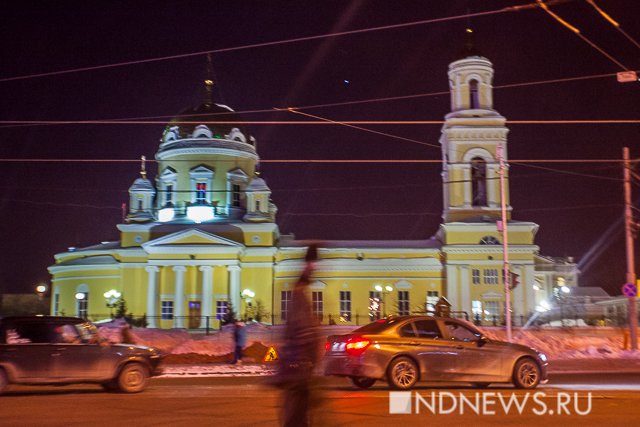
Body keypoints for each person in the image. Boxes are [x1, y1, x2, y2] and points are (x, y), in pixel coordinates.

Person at [277, 243, 322, 427]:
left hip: (299, 366)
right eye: (314, 264)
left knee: (298, 411)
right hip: (299, 366)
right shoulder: (299, 294)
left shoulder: (300, 293)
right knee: (297, 412)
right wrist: (308, 359)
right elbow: (301, 332)